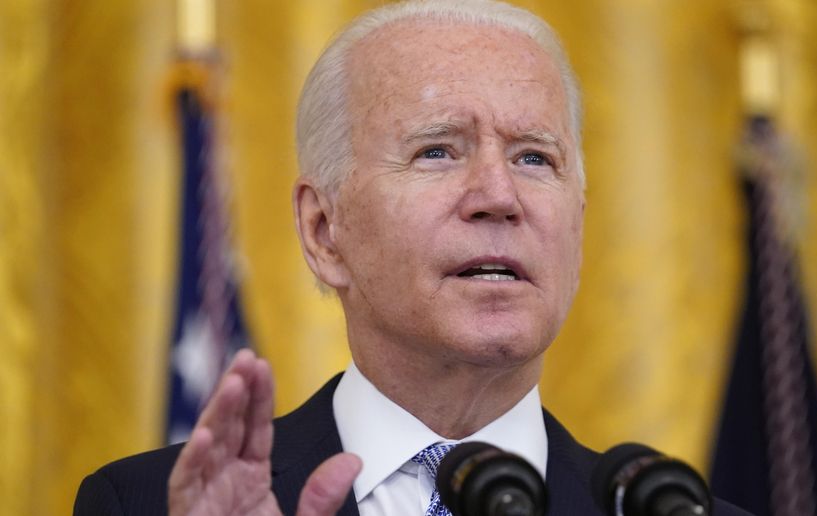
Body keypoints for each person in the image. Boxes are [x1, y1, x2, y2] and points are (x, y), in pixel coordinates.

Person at [74, 1, 752, 515]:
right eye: (438, 151)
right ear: (322, 230)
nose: (498, 195)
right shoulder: (139, 503)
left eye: (533, 158)